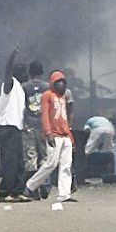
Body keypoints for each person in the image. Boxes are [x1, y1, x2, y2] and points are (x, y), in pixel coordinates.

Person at [24, 70, 77, 202]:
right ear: (53, 83)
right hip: (54, 135)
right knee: (51, 164)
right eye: (58, 82)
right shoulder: (47, 95)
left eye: (63, 83)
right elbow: (45, 116)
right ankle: (30, 186)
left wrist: (71, 137)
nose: (61, 85)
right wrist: (48, 133)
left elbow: (65, 119)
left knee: (66, 165)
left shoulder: (63, 97)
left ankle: (64, 194)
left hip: (65, 135)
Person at [0, 47, 31, 203]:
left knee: (19, 161)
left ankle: (17, 191)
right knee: (9, 162)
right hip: (7, 127)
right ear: (16, 73)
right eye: (22, 71)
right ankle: (3, 193)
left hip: (15, 128)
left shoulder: (21, 90)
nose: (26, 74)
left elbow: (21, 112)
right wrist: (12, 56)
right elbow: (7, 71)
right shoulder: (9, 84)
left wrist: (24, 125)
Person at [21, 60, 50, 197]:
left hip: (29, 125)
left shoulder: (23, 87)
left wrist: (23, 123)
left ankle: (32, 189)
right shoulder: (48, 87)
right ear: (41, 72)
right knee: (44, 156)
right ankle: (44, 184)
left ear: (30, 72)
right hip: (44, 126)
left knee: (30, 157)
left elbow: (21, 108)